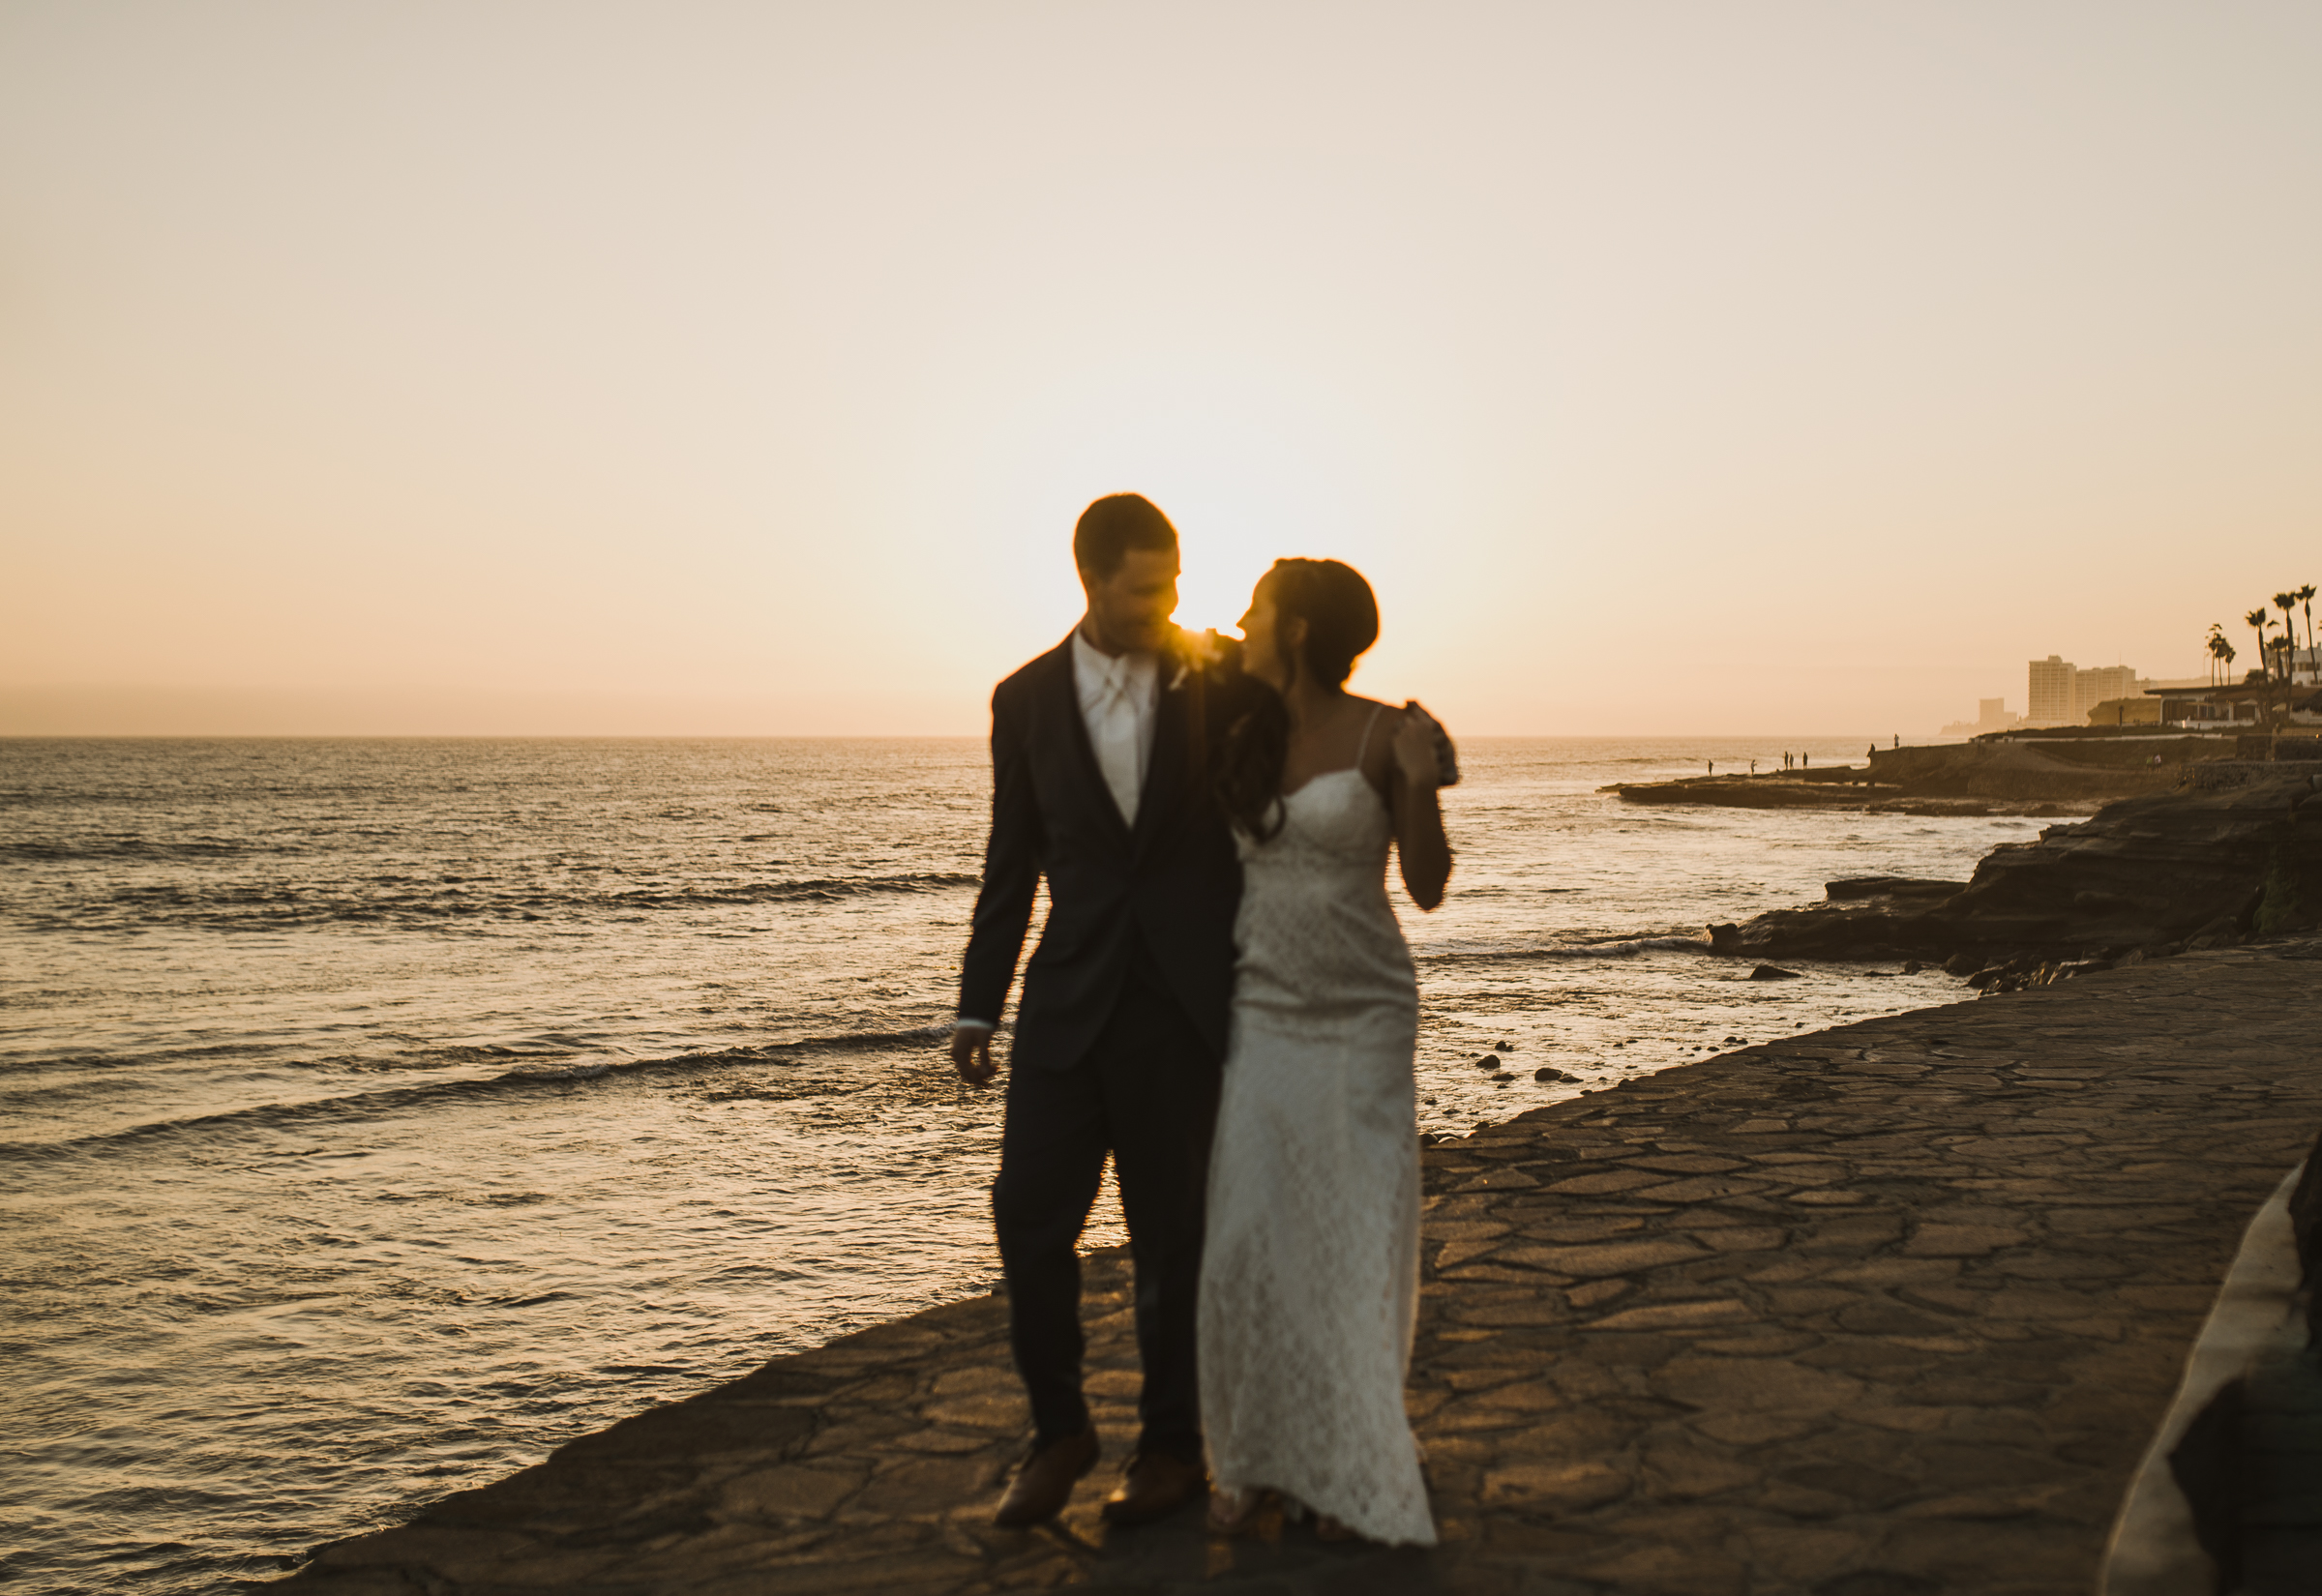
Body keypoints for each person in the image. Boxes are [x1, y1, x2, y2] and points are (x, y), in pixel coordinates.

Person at [951, 493, 1264, 1528]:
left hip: (1179, 1007)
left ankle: (1174, 1453)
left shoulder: (1216, 680)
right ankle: (1062, 1431)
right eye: (1145, 587)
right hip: (1066, 1005)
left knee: (1172, 1239)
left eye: (1174, 581)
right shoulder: (1024, 700)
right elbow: (1012, 862)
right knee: (1026, 1218)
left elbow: (1291, 754)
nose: (1165, 601)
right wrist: (976, 1008)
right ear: (1089, 580)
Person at [1199, 558, 1451, 1547]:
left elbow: (1426, 885)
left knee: (1352, 1244)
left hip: (1363, 1018)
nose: (1244, 621)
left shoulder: (1392, 733)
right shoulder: (1240, 732)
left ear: (1297, 627)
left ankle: (1350, 1462)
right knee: (1249, 1242)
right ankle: (1254, 1458)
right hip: (1264, 1015)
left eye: (1258, 608)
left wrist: (1425, 783)